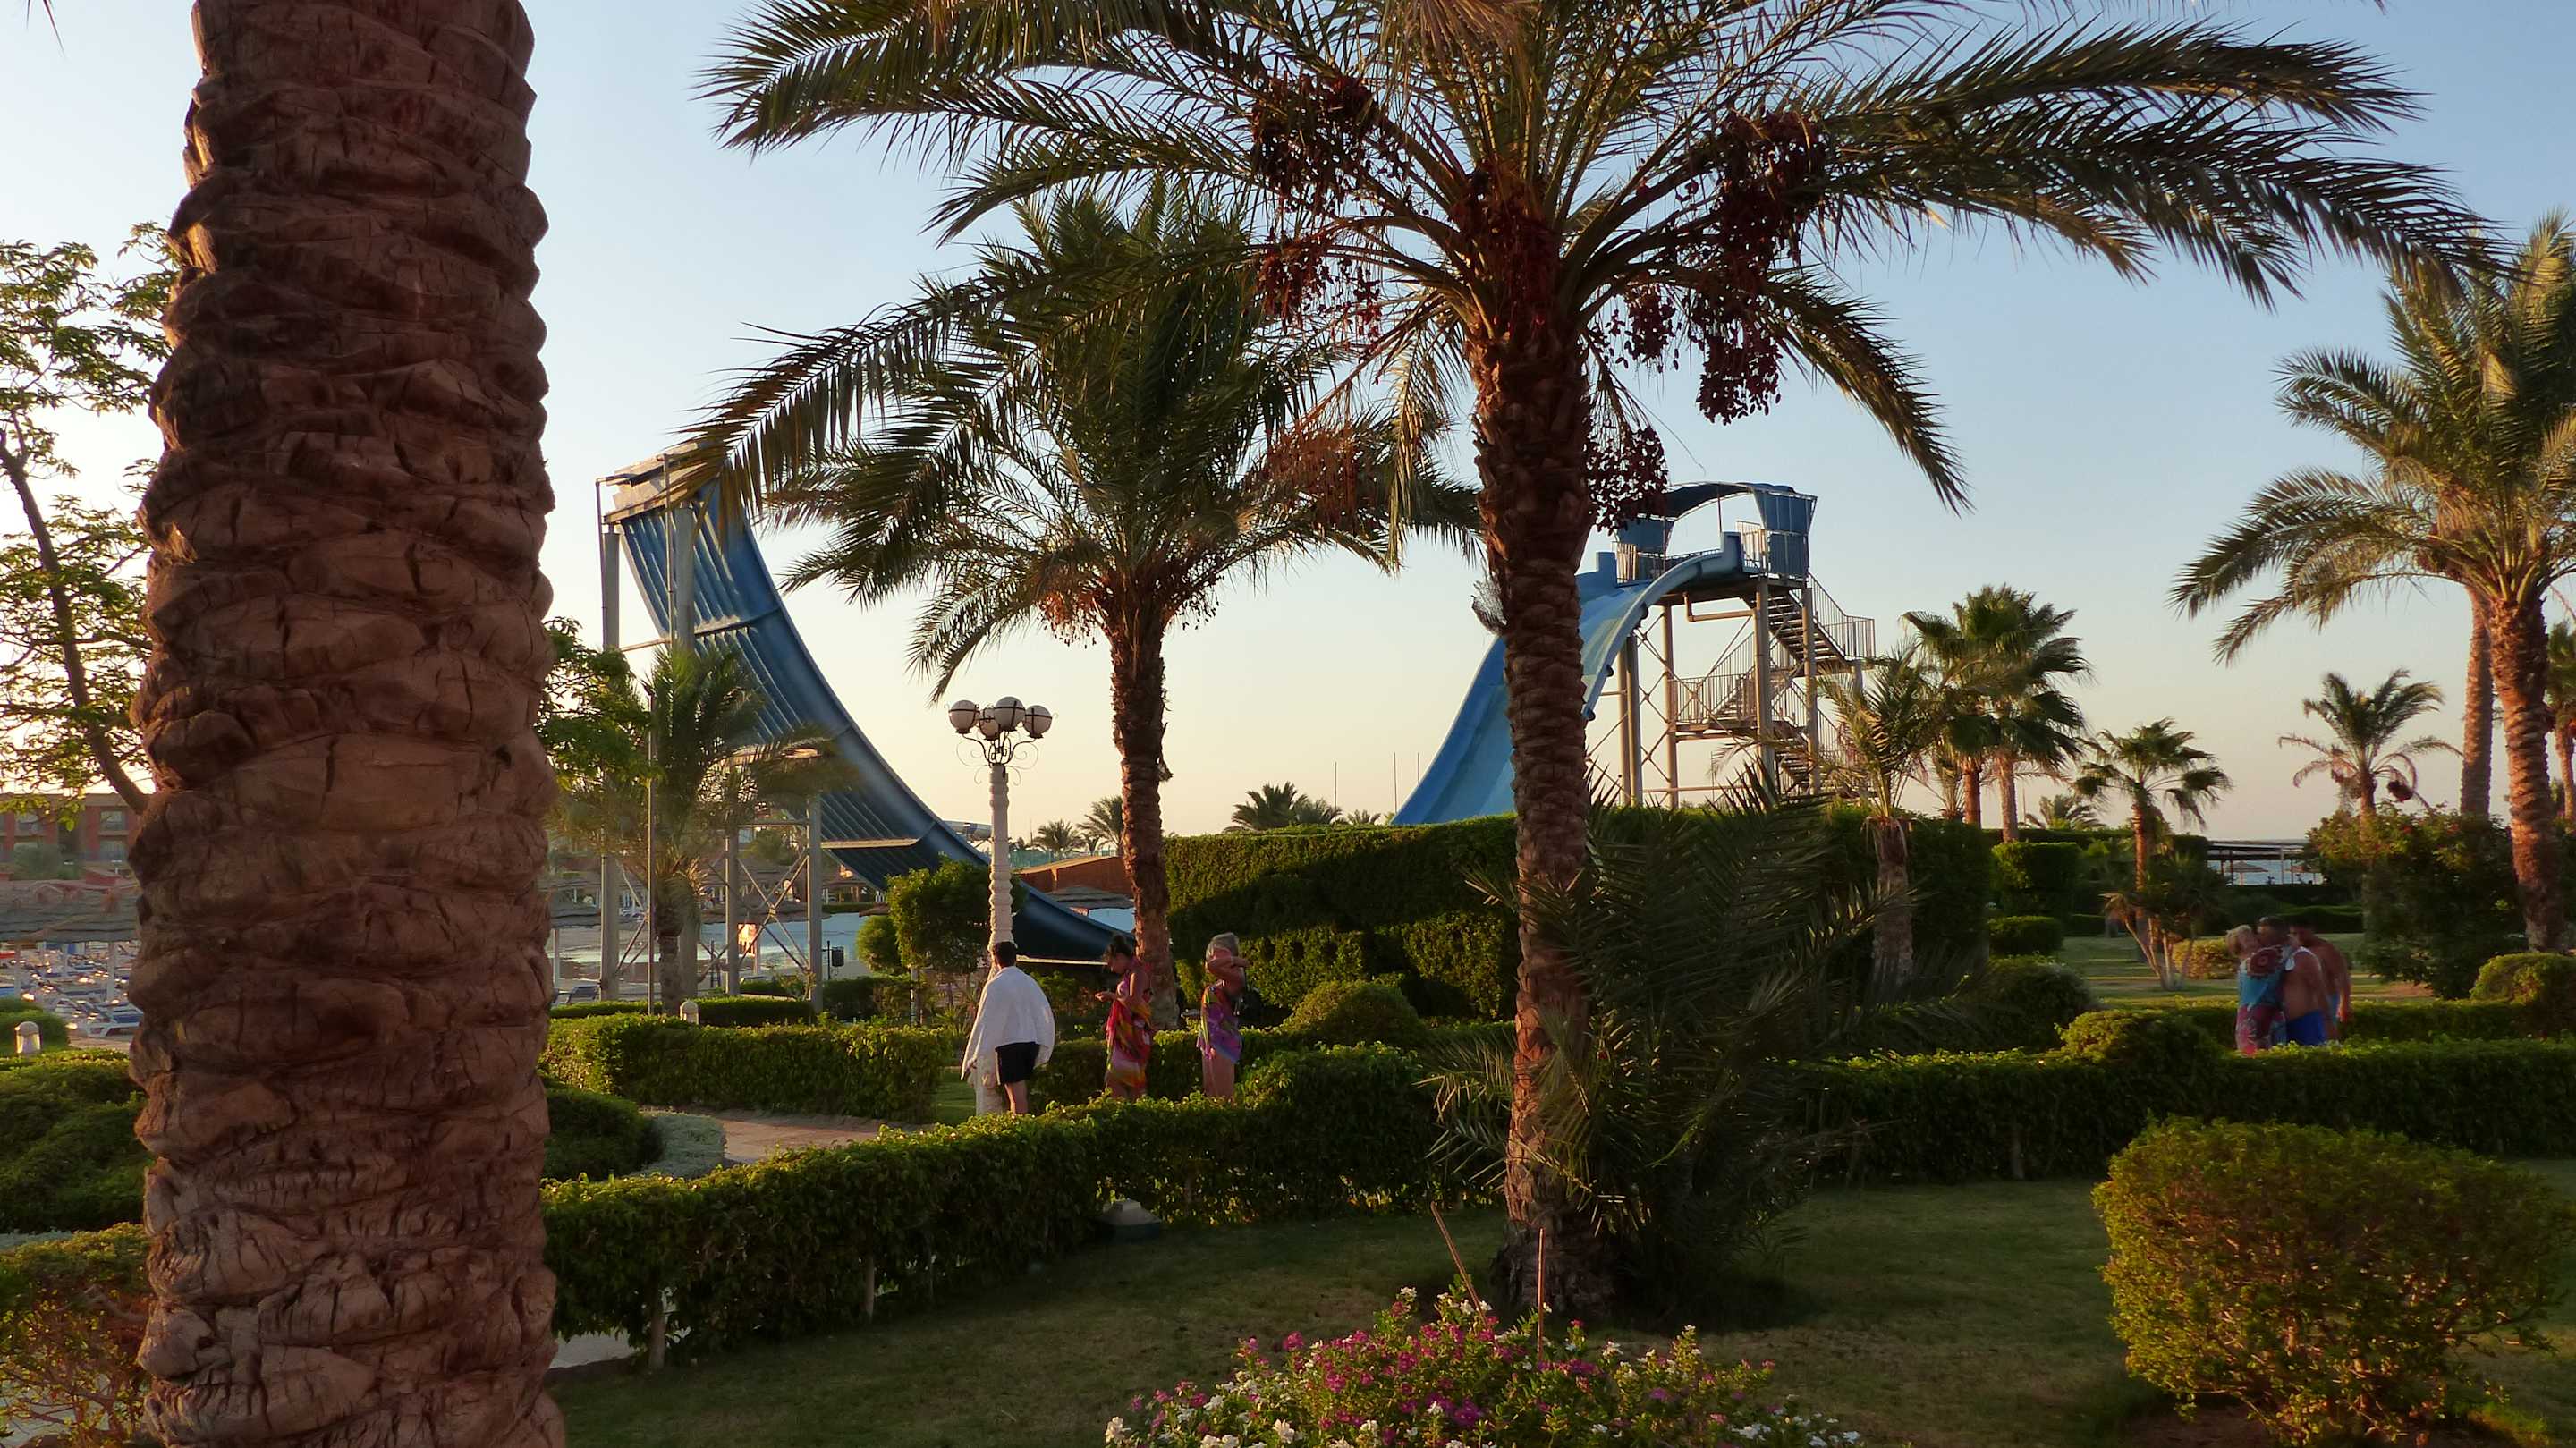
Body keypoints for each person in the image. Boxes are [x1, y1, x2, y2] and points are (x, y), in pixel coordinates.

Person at [961, 940, 1055, 1115]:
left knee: (1016, 1098)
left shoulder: (995, 985)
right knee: (1019, 1094)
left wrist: (975, 1052)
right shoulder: (1028, 982)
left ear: (994, 959)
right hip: (1029, 1043)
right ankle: (1019, 1124)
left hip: (1010, 1045)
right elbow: (1042, 1011)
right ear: (1015, 958)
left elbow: (985, 1020)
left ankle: (1020, 1127)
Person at [1101, 935, 1152, 1102]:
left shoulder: (1138, 972)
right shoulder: (1130, 973)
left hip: (1134, 1034)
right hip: (1125, 1035)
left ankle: (1127, 1111)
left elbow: (1133, 1002)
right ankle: (1131, 1111)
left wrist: (1112, 996)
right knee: (1124, 1082)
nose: (1111, 969)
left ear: (1120, 957)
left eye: (1112, 963)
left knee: (1116, 1080)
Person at [1199, 932, 1247, 1100]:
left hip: (1224, 1041)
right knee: (1211, 1091)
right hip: (1209, 1039)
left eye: (1219, 953)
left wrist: (1233, 960)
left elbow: (1211, 966)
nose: (1214, 958)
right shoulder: (1220, 981)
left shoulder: (1236, 976)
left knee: (1223, 1096)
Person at [2275, 920, 2334, 1048]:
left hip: (2306, 1021)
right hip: (2281, 1023)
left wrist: (2327, 1020)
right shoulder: (2274, 957)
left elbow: (2319, 989)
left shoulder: (2303, 957)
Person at [2230, 923, 2286, 1056]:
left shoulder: (2264, 959)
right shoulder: (2251, 964)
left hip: (2270, 1012)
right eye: (2245, 938)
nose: (2251, 940)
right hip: (2253, 1014)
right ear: (2238, 944)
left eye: (2251, 936)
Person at [2289, 924, 2354, 1040]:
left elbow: (2342, 977)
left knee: (2326, 1036)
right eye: (2294, 934)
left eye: (2302, 933)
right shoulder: (2293, 950)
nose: (2298, 937)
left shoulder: (2326, 950)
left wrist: (2345, 1004)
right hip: (2305, 1003)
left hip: (2327, 1000)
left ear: (2312, 931)